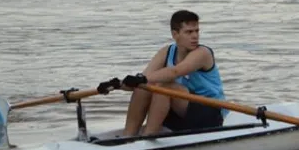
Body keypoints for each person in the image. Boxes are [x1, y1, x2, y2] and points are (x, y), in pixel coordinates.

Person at [97, 10, 226, 137]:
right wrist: (117, 84)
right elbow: (142, 79)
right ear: (175, 34)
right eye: (189, 32)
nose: (195, 36)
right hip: (181, 114)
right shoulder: (166, 51)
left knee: (163, 86)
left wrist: (142, 79)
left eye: (197, 31)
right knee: (144, 88)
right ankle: (128, 136)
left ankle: (148, 137)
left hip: (211, 115)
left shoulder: (202, 53)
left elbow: (175, 71)